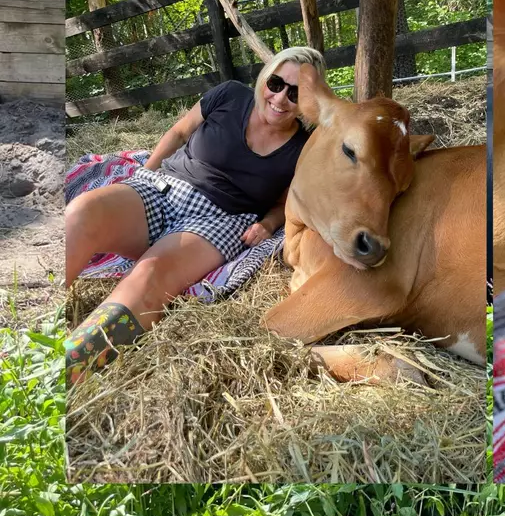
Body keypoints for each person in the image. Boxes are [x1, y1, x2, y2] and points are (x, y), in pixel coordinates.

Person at [64, 46, 326, 386]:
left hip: (219, 219)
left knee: (148, 275)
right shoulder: (230, 94)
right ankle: (31, 323)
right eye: (277, 83)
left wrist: (268, 224)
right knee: (83, 211)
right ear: (266, 77)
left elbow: (282, 203)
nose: (280, 98)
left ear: (308, 102)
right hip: (164, 187)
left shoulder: (302, 148)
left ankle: (64, 369)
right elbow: (178, 132)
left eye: (296, 93)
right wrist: (145, 173)